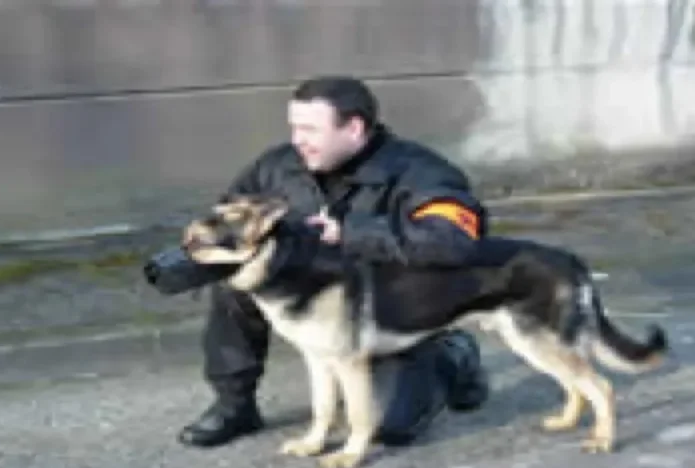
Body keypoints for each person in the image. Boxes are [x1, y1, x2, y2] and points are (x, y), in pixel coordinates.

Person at [177, 76, 490, 448]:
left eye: (310, 129)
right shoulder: (276, 166)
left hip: (391, 313)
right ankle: (235, 404)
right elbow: (225, 222)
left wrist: (351, 232)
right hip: (313, 302)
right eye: (293, 127)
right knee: (236, 277)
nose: (297, 140)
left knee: (390, 427)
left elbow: (453, 242)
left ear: (354, 127)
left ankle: (452, 357)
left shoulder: (421, 172)